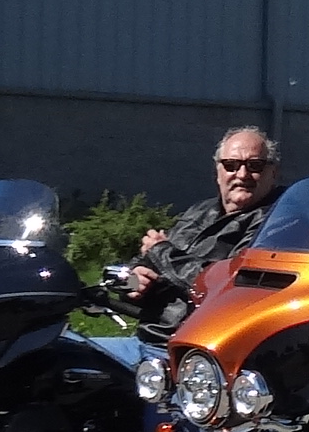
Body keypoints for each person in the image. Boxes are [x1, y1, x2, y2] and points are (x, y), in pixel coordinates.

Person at [114, 128, 284, 342]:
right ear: (218, 171)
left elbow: (228, 284)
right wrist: (134, 282)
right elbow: (145, 266)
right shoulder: (200, 211)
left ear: (273, 172)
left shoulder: (278, 221)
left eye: (255, 165)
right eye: (231, 165)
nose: (242, 175)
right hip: (150, 336)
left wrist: (162, 251)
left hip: (200, 348)